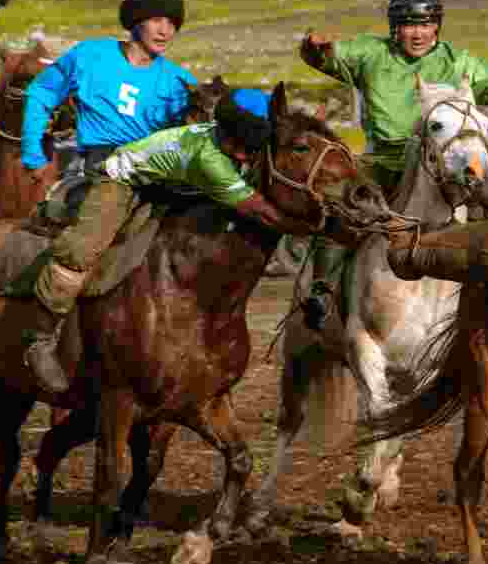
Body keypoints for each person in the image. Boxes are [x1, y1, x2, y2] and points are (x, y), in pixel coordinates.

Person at [24, 88, 314, 394]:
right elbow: (261, 212)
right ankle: (40, 340)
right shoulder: (209, 158)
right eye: (239, 147)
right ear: (226, 135)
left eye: (251, 149)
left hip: (171, 187)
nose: (244, 156)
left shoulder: (225, 142)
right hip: (122, 180)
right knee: (81, 251)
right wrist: (310, 227)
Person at [297, 0, 488, 330]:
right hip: (384, 161)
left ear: (436, 26)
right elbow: (326, 57)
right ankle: (322, 291)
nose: (417, 33)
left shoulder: (459, 61)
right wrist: (315, 48)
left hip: (448, 165)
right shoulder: (370, 53)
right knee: (341, 211)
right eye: (408, 25)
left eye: (425, 24)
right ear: (394, 27)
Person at [21, 0, 197, 181]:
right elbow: (41, 94)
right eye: (156, 20)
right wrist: (33, 157)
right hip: (99, 164)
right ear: (136, 23)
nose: (165, 31)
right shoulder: (90, 55)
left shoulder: (180, 81)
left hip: (156, 168)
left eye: (172, 24)